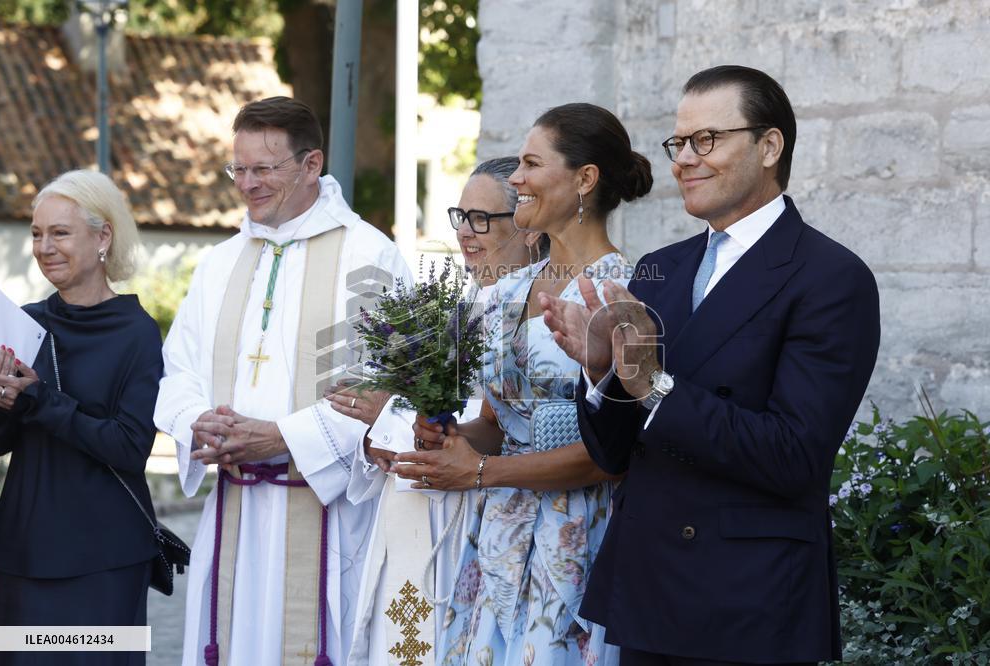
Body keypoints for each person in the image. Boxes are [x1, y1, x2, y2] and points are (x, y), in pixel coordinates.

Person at [540, 66, 882, 665]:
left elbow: (793, 456)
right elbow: (616, 456)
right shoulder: (661, 267)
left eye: (707, 140)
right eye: (679, 143)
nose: (684, 160)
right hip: (648, 593)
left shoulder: (831, 278)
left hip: (748, 604)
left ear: (769, 146)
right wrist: (604, 375)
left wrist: (652, 383)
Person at [153, 96, 413, 666]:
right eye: (238, 169)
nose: (247, 184)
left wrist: (281, 437)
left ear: (311, 164)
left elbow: (385, 391)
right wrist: (198, 420)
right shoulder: (218, 262)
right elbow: (179, 370)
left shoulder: (369, 256)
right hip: (232, 511)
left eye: (263, 169)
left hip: (326, 514)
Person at [400, 103, 653, 665]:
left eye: (530, 164)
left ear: (584, 179)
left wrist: (482, 471)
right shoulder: (504, 293)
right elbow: (496, 425)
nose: (515, 179)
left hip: (580, 536)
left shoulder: (625, 295)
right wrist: (446, 438)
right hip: (496, 537)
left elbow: (609, 456)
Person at [332, 156, 545, 665]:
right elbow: (424, 415)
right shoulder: (452, 307)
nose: (465, 233)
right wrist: (380, 430)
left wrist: (392, 416)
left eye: (482, 220)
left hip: (487, 511)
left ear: (530, 225)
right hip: (420, 510)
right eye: (460, 216)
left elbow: (508, 421)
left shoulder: (536, 315)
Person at [0, 169, 162, 666]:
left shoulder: (138, 334)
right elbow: (0, 440)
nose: (45, 247)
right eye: (37, 234)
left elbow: (130, 447)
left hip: (104, 561)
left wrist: (41, 401)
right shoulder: (23, 323)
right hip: (23, 553)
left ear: (103, 235)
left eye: (60, 232)